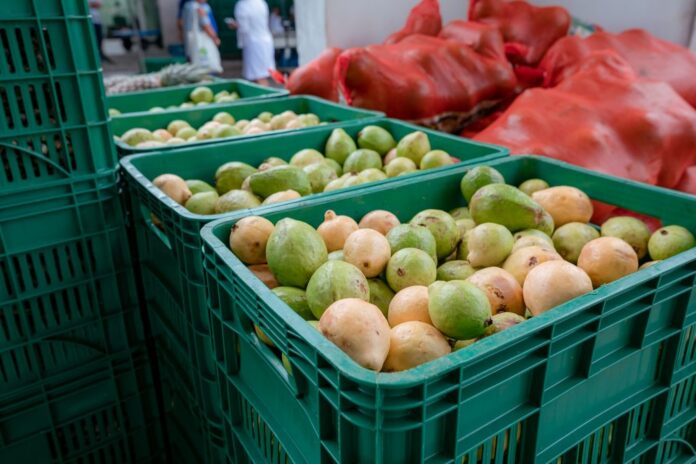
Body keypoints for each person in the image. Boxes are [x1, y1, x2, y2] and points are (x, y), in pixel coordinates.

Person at [229, 0, 276, 85]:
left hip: (253, 43)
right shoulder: (261, 2)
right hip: (265, 41)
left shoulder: (242, 5)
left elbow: (244, 28)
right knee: (260, 76)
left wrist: (234, 25)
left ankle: (265, 94)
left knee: (259, 77)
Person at [182, 0, 222, 72]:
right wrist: (214, 38)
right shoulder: (197, 7)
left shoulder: (187, 6)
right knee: (205, 64)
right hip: (202, 39)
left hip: (192, 41)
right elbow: (205, 24)